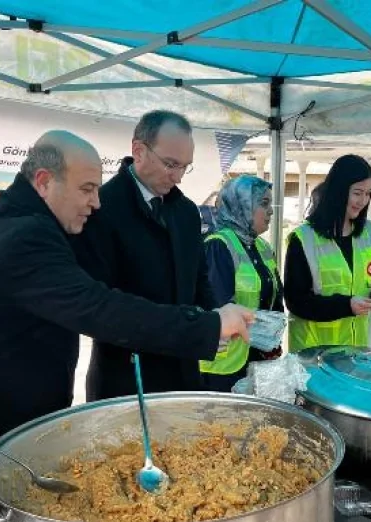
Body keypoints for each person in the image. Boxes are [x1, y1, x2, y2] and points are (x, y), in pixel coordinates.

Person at [0, 130, 253, 522]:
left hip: (19, 414)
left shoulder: (16, 217)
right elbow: (100, 308)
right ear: (44, 181)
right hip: (1, 423)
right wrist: (208, 325)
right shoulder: (22, 235)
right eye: (87, 189)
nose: (96, 202)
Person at [73, 111, 253, 400]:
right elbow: (100, 307)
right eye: (170, 164)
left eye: (185, 167)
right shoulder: (101, 208)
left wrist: (216, 317)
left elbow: (199, 281)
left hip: (184, 371)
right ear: (139, 151)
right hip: (127, 379)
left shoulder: (186, 212)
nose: (178, 177)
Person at [283, 154, 371, 352]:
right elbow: (296, 301)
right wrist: (347, 306)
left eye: (368, 193)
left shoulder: (368, 232)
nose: (363, 201)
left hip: (356, 351)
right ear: (339, 190)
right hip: (314, 354)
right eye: (357, 193)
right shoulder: (303, 238)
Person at [201, 175, 285, 391]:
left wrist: (272, 339)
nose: (271, 211)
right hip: (223, 366)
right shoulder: (219, 245)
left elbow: (275, 299)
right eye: (264, 203)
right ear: (242, 206)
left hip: (256, 359)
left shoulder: (263, 247)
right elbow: (217, 307)